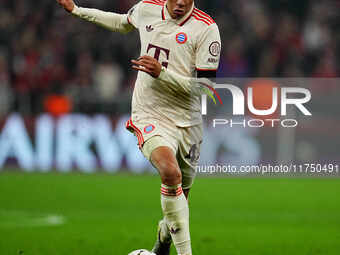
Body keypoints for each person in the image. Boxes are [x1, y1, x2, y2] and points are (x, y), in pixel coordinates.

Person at [56, 0, 221, 254]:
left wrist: (162, 73)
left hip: (188, 121)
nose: (180, 2)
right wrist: (77, 10)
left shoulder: (206, 29)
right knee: (170, 173)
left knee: (179, 202)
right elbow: (121, 23)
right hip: (150, 113)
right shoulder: (146, 9)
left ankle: (162, 241)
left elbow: (205, 89)